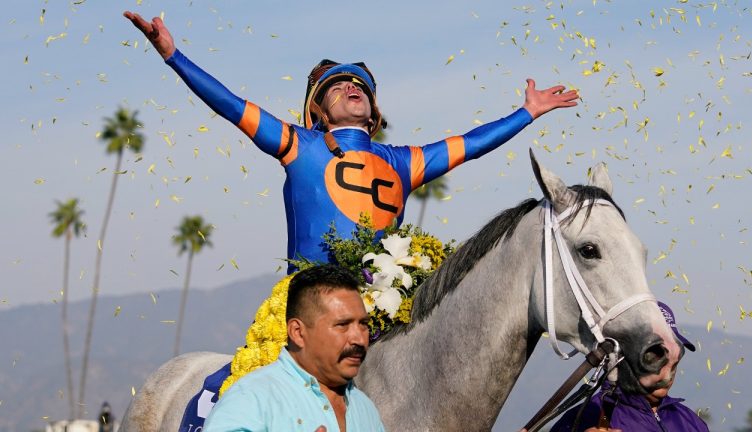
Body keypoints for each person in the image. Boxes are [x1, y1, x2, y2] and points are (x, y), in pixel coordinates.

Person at [123, 11, 580, 272]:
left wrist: (527, 112)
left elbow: (472, 142)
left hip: (385, 310)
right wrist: (173, 56)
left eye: (360, 85)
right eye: (337, 86)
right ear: (317, 111)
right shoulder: (297, 145)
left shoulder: (405, 162)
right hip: (307, 308)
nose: (351, 88)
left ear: (376, 112)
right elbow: (227, 103)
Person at [202, 264, 384, 431]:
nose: (359, 339)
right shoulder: (251, 398)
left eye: (363, 324)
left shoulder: (365, 409)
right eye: (342, 325)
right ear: (297, 332)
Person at [549, 301, 709, 432]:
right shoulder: (586, 417)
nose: (667, 373)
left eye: (672, 360)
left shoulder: (691, 423)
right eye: (655, 357)